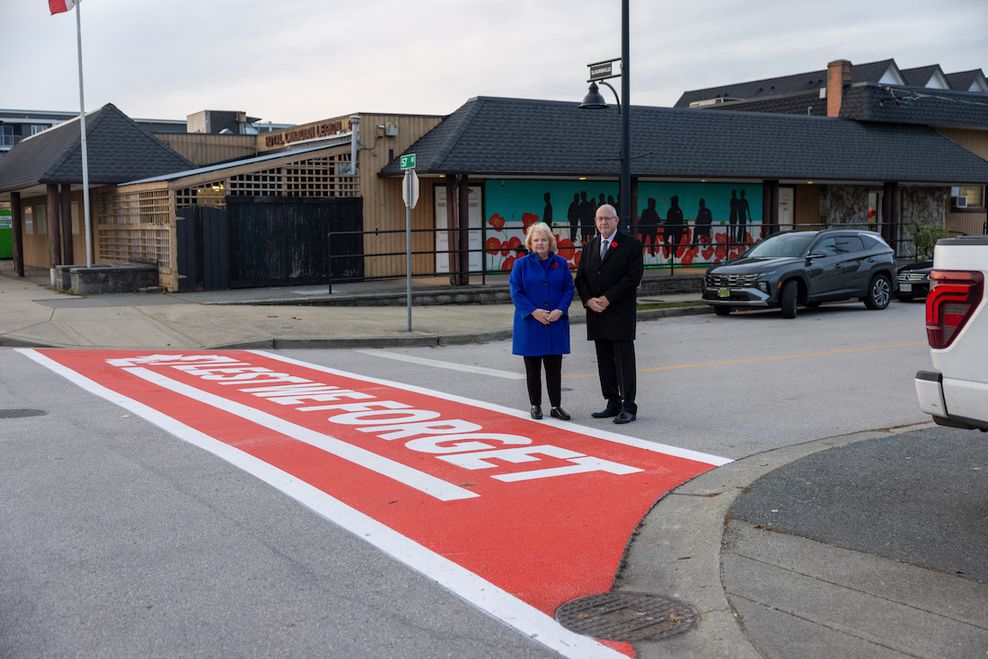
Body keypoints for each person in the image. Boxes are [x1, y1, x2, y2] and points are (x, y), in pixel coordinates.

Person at [575, 204, 644, 424]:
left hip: (619, 313)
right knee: (604, 361)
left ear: (616, 220)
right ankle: (612, 402)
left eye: (607, 218)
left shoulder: (631, 245)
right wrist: (588, 300)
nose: (603, 222)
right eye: (599, 219)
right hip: (597, 314)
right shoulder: (589, 247)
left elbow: (632, 278)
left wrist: (608, 298)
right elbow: (581, 278)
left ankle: (629, 406)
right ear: (595, 222)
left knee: (623, 361)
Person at [509, 222, 574, 420]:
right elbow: (516, 292)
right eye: (536, 240)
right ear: (530, 243)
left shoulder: (561, 263)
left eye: (543, 240)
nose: (539, 243)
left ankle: (556, 406)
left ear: (550, 242)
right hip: (531, 323)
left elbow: (568, 289)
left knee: (554, 367)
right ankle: (535, 405)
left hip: (555, 322)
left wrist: (560, 311)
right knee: (533, 367)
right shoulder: (520, 265)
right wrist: (533, 311)